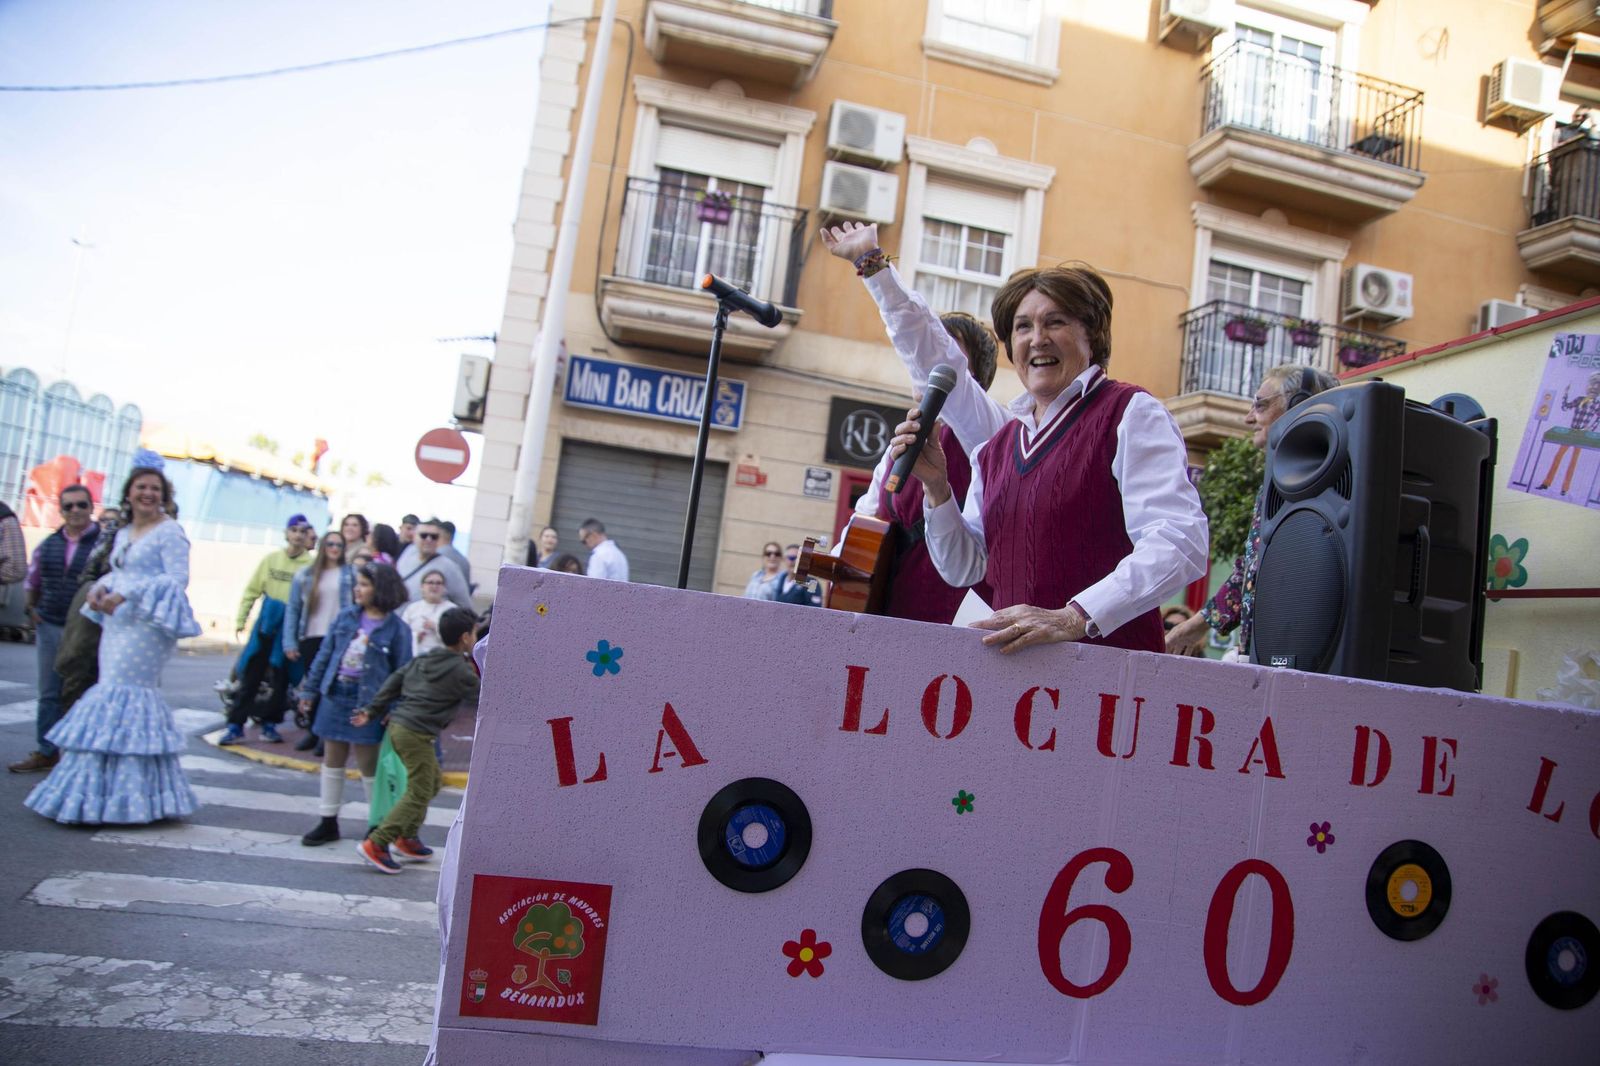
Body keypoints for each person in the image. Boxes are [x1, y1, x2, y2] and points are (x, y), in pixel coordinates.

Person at [885, 259, 1209, 653]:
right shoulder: (994, 449)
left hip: (1109, 671)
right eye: (1023, 327)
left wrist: (1074, 616)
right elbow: (964, 568)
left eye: (1055, 322)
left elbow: (1180, 541)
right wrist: (937, 487)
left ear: (1092, 335)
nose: (1037, 339)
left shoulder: (1130, 413)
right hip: (1014, 673)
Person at [25, 463, 202, 824]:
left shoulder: (170, 532)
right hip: (116, 622)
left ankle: (130, 798)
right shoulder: (124, 532)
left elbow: (177, 579)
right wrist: (99, 589)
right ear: (129, 494)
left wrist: (126, 594)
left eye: (155, 488)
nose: (148, 493)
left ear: (164, 496)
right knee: (108, 691)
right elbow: (118, 572)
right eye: (141, 487)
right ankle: (96, 792)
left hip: (146, 627)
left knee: (125, 695)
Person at [1167, 365, 1338, 660]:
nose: (1249, 418)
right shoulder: (1281, 480)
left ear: (1299, 406)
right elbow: (1252, 570)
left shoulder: (1316, 482)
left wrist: (1197, 625)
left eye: (1260, 405)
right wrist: (1198, 625)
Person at [351, 607, 480, 874]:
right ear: (466, 637)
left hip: (401, 728)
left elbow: (394, 681)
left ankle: (406, 836)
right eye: (475, 633)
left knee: (431, 782)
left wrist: (372, 710)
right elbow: (485, 696)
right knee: (420, 789)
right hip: (415, 733)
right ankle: (377, 842)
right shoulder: (460, 670)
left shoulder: (424, 659)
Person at [295, 562, 413, 846]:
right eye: (357, 584)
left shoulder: (398, 629)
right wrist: (309, 691)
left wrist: (393, 708)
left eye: (364, 584)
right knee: (332, 759)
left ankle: (376, 826)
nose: (357, 589)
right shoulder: (346, 617)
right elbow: (325, 655)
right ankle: (328, 821)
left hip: (369, 704)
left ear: (381, 589)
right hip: (336, 694)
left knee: (368, 766)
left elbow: (402, 673)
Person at [9, 485, 101, 774]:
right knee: (49, 692)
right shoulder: (49, 544)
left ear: (91, 508)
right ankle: (47, 752)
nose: (75, 511)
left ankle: (78, 754)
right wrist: (31, 609)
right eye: (68, 506)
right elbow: (32, 579)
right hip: (50, 624)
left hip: (87, 629)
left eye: (81, 505)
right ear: (61, 510)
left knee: (84, 691)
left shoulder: (103, 545)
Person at [220, 514, 315, 744]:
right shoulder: (271, 560)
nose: (298, 535)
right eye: (294, 530)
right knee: (250, 676)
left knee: (281, 679)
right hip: (265, 628)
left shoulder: (310, 567)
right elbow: (252, 590)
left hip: (290, 632)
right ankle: (235, 725)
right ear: (286, 533)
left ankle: (270, 725)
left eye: (303, 531)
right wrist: (241, 620)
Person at [282, 530, 354, 753]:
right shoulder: (305, 575)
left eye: (339, 545)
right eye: (330, 544)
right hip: (311, 635)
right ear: (323, 546)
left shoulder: (350, 575)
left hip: (339, 637)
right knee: (312, 684)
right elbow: (293, 609)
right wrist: (289, 642)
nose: (334, 548)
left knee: (331, 686)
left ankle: (325, 734)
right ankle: (313, 731)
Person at [1536, 370, 1600, 495]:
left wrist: (1590, 429)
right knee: (1558, 456)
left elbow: (1598, 419)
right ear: (1588, 385)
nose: (1594, 387)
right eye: (1593, 384)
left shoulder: (1598, 404)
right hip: (1571, 433)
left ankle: (1565, 489)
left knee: (1573, 461)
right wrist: (1565, 393)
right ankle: (1546, 483)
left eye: (1598, 385)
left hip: (1582, 436)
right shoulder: (1579, 399)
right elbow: (1565, 407)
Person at [399, 519, 473, 609]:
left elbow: (465, 605)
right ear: (415, 537)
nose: (428, 539)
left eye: (434, 537)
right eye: (423, 535)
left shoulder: (449, 567)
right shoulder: (408, 553)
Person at [400, 570, 452, 654]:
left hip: (443, 657)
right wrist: (416, 636)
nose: (434, 586)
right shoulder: (412, 608)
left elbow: (457, 638)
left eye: (438, 583)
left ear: (444, 587)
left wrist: (436, 627)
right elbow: (401, 634)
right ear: (422, 587)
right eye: (430, 583)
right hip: (416, 657)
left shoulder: (452, 609)